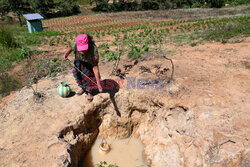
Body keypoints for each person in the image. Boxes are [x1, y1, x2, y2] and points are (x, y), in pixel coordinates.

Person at [62, 34, 102, 102]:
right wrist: (66, 54)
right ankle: (83, 88)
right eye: (80, 49)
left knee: (89, 76)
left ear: (88, 44)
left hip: (89, 63)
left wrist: (98, 83)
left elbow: (95, 68)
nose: (82, 52)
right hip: (79, 60)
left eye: (84, 49)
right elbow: (70, 47)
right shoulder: (74, 43)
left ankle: (90, 92)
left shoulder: (93, 51)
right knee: (78, 74)